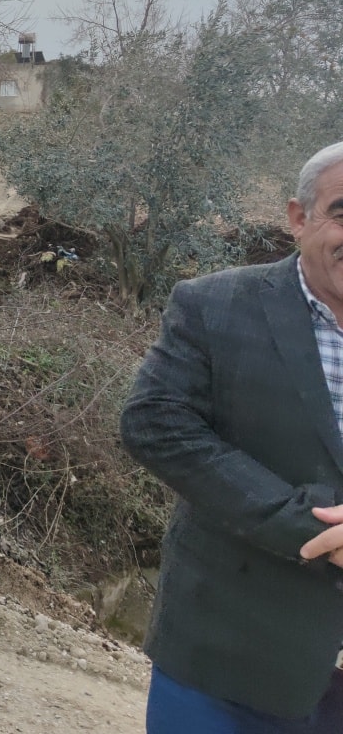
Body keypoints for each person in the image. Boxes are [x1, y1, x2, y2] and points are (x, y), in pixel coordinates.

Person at [121, 140, 343, 731]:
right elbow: (157, 424)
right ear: (299, 218)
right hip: (227, 661)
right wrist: (313, 525)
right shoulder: (214, 307)